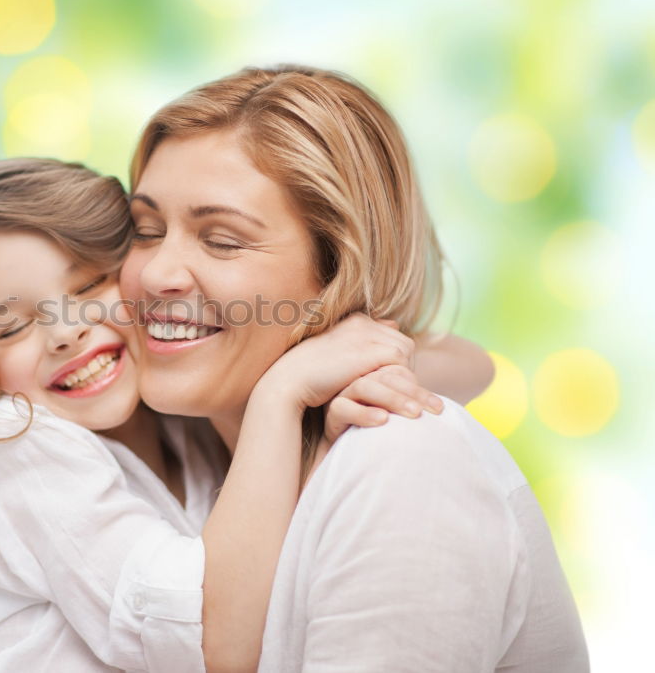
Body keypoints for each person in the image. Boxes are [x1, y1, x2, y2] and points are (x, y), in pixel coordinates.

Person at [0, 157, 489, 672]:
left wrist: (322, 347)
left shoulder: (182, 408)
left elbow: (471, 368)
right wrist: (282, 390)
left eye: (87, 287)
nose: (64, 331)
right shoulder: (16, 438)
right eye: (12, 327)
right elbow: (213, 646)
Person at [122, 64, 589, 671]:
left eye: (223, 240)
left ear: (338, 269)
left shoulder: (399, 464)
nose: (157, 274)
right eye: (144, 230)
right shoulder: (176, 458)